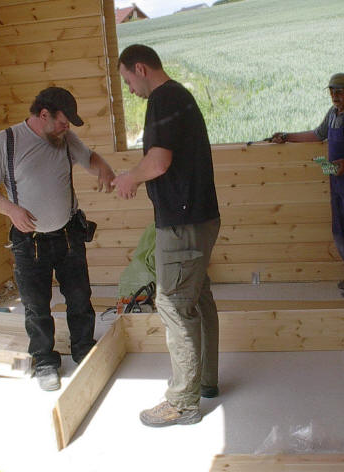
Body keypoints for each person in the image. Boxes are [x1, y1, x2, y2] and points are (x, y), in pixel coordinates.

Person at [0, 87, 116, 391]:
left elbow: (89, 158)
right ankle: (45, 361)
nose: (66, 128)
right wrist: (11, 210)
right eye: (62, 122)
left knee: (79, 297)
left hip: (69, 234)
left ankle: (83, 349)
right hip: (29, 242)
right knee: (36, 305)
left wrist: (104, 169)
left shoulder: (65, 139)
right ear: (43, 115)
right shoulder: (4, 142)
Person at [112, 44, 221, 427]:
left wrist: (130, 177)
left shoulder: (163, 98)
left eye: (128, 80)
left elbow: (158, 162)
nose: (129, 89)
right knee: (197, 298)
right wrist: (133, 174)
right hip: (198, 219)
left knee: (174, 305)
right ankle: (205, 381)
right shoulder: (179, 97)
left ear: (141, 68)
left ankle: (183, 403)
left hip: (182, 225)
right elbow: (161, 159)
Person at [272, 73, 344, 297]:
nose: (335, 95)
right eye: (332, 91)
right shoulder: (333, 114)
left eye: (339, 91)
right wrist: (286, 136)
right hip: (340, 180)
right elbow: (317, 134)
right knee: (341, 230)